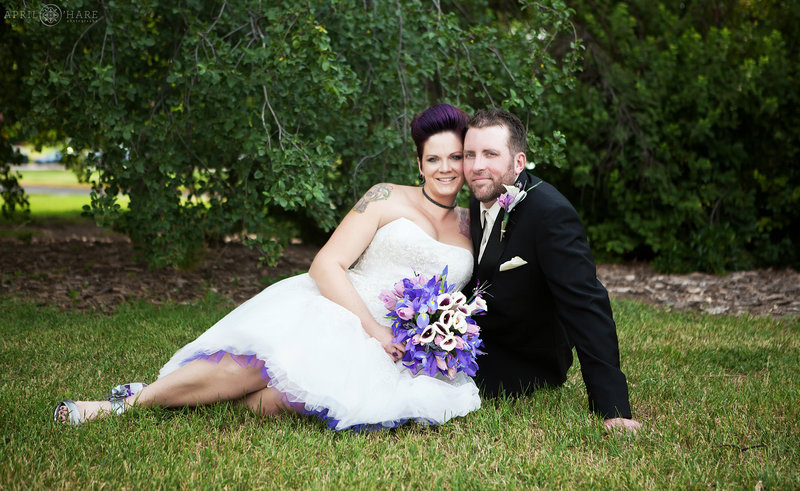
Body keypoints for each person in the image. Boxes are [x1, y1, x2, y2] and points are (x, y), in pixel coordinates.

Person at [54, 104, 479, 431]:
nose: (445, 169)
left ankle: (176, 401)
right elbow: (326, 263)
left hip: (403, 348)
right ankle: (120, 406)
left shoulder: (471, 224)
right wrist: (374, 330)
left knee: (282, 400)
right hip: (343, 309)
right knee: (252, 367)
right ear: (419, 163)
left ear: (467, 161)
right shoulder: (385, 196)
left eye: (454, 158)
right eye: (433, 159)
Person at [462, 108, 641, 433]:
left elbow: (587, 306)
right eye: (469, 154)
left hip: (528, 359)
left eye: (490, 154)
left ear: (518, 162)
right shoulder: (480, 198)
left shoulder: (551, 215)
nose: (477, 166)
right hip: (486, 336)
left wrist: (613, 407)